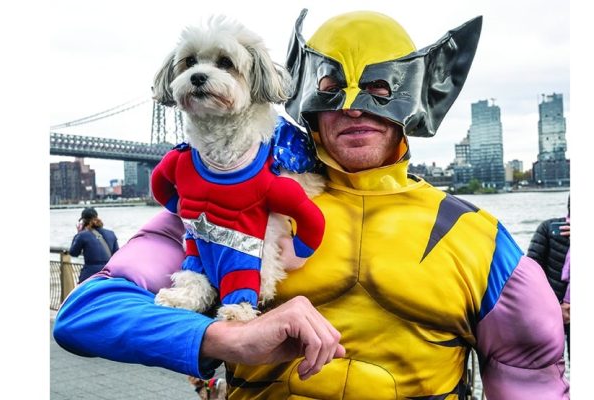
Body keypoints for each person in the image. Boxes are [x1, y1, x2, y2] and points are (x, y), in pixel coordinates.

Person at [54, 9, 569, 399]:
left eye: (381, 88)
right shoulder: (219, 207)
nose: (352, 105)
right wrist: (223, 338)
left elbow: (530, 373)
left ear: (416, 97)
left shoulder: (473, 236)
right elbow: (86, 313)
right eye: (330, 87)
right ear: (304, 94)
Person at [527, 196, 571, 358]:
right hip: (549, 311)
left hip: (550, 311)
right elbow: (531, 271)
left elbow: (529, 272)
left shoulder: (547, 227)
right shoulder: (548, 229)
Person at [69, 207, 120, 283]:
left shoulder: (82, 235)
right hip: (108, 274)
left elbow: (73, 253)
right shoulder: (111, 233)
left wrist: (78, 234)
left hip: (90, 275)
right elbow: (117, 254)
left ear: (83, 221)